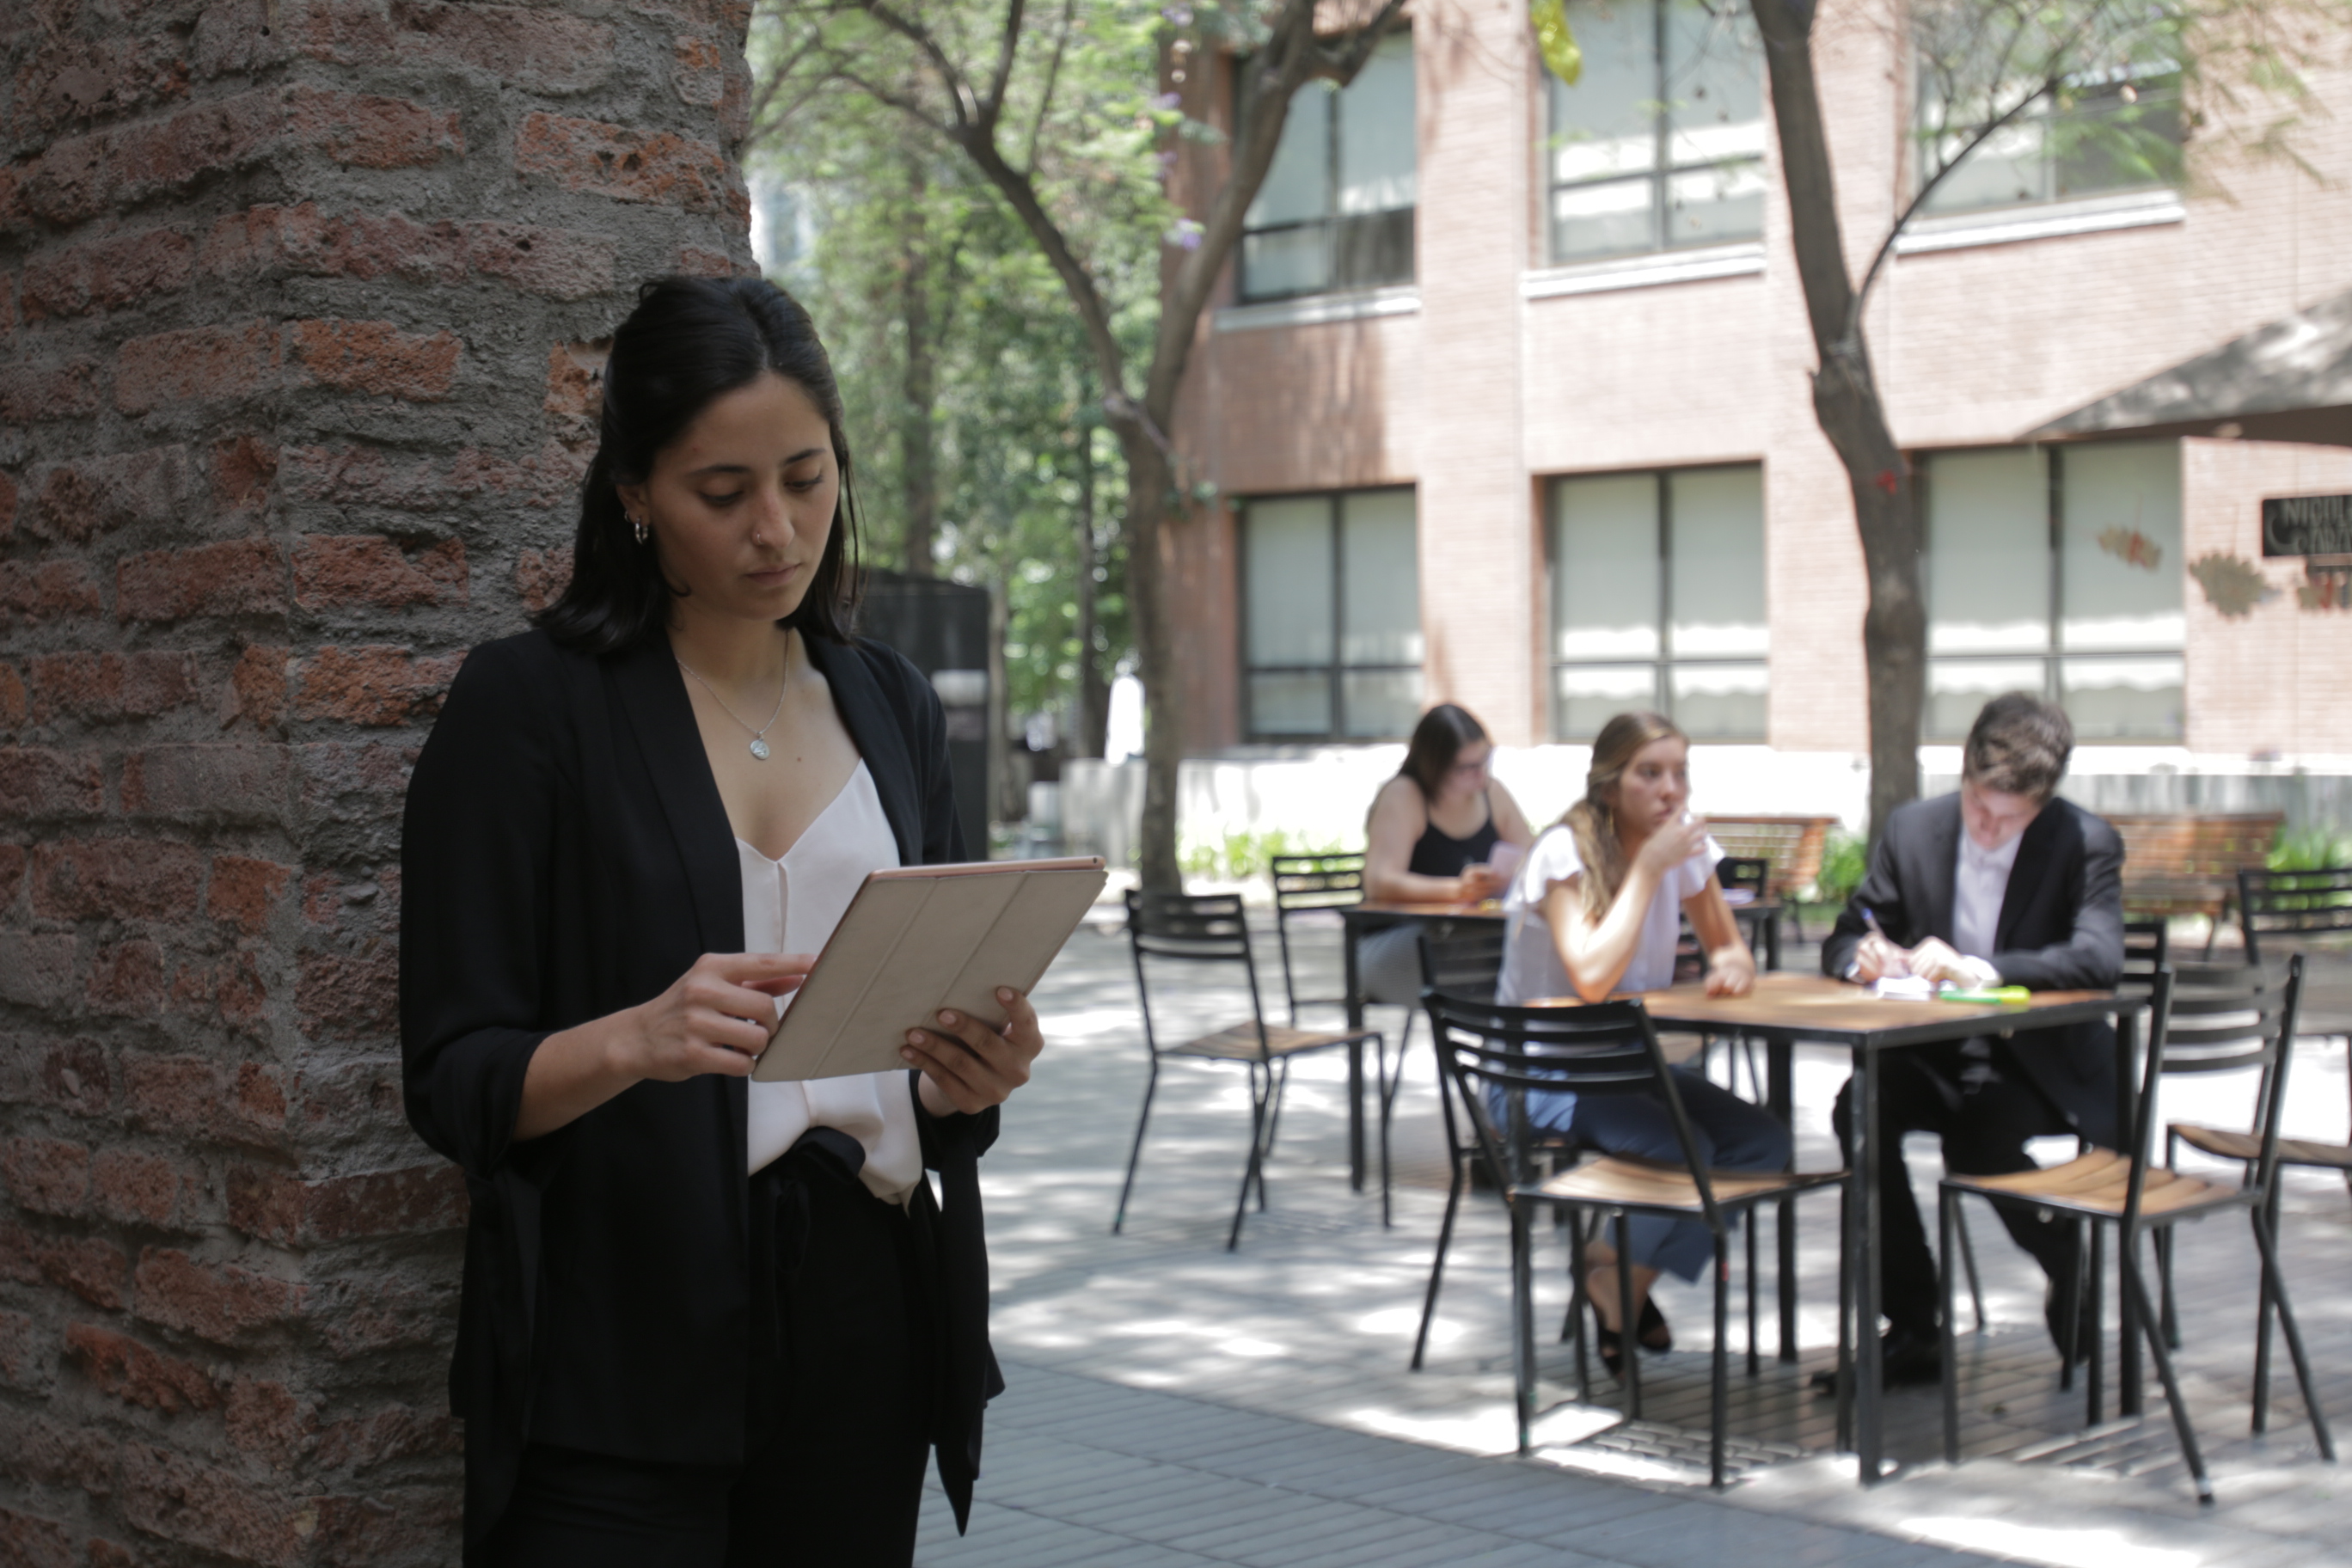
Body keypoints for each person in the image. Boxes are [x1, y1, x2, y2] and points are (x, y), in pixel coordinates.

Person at [400, 277, 1040, 1566]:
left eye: (806, 479)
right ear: (635, 493)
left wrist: (972, 1077)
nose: (776, 530)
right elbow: (452, 1080)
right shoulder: (531, 707)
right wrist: (634, 1040)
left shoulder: (892, 703)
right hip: (619, 1330)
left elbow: (924, 1075)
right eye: (723, 491)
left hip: (867, 1313)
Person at [1819, 692, 2124, 1386]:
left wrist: (1982, 970)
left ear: (2043, 803)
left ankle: (2061, 1256)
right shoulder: (1914, 829)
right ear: (1963, 774)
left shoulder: (2085, 841)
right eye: (1978, 807)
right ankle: (1913, 1323)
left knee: (1977, 1135)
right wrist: (1862, 957)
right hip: (1935, 1050)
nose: (1988, 829)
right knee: (1858, 1109)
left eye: (2009, 819)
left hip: (2038, 1060)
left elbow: (2099, 957)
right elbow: (1850, 929)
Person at [1494, 710, 1792, 1373]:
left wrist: (1729, 966)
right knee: (1683, 1148)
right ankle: (1620, 1284)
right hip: (1541, 1076)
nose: (1670, 790)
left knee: (1763, 1142)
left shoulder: (1683, 849)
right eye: (1650, 774)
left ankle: (1616, 1276)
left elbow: (1729, 947)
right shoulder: (1565, 853)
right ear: (1610, 786)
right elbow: (1593, 976)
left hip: (1629, 1066)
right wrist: (1649, 870)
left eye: (1680, 773)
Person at [1357, 703, 1537, 1005]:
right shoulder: (1404, 795)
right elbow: (1379, 881)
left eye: (1486, 760)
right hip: (1400, 944)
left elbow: (1533, 858)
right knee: (1484, 956)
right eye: (1466, 768)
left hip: (1471, 937)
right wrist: (1457, 890)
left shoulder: (1492, 793)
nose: (1480, 774)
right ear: (1434, 766)